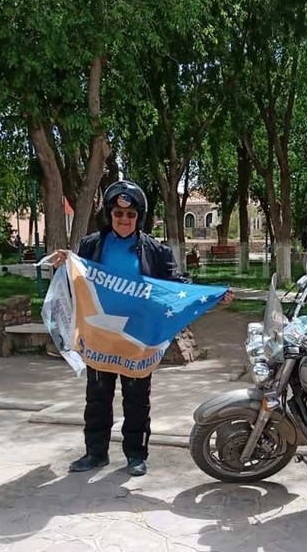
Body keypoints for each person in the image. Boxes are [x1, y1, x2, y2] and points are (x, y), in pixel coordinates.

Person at [51, 180, 231, 477]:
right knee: (97, 398)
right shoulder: (91, 244)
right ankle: (95, 454)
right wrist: (63, 263)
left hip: (136, 337)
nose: (124, 220)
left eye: (130, 215)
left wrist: (211, 295)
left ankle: (136, 455)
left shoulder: (155, 251)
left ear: (139, 217)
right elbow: (77, 278)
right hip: (99, 335)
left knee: (136, 399)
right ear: (109, 214)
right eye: (118, 214)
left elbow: (175, 286)